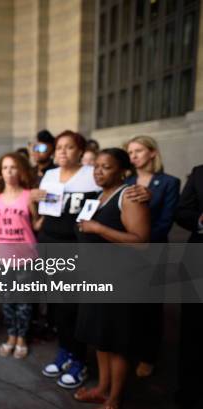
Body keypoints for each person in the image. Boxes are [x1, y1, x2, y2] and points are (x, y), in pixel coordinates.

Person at [73, 148, 150, 409]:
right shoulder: (98, 196)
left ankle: (115, 399)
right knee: (100, 339)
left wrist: (97, 228)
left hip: (120, 280)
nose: (98, 171)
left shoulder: (129, 195)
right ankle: (102, 388)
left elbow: (140, 242)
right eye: (96, 166)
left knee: (116, 342)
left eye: (106, 166)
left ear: (123, 171)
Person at [32, 130, 101, 389]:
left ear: (80, 151)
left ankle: (79, 360)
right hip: (49, 243)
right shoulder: (49, 175)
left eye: (69, 147)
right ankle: (64, 351)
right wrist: (34, 199)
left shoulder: (91, 175)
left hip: (76, 247)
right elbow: (44, 211)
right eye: (59, 147)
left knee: (74, 306)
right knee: (57, 305)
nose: (62, 151)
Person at [123, 135, 181, 378]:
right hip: (125, 252)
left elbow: (166, 221)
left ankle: (148, 356)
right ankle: (128, 350)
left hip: (153, 250)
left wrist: (141, 242)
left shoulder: (168, 182)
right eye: (130, 152)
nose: (133, 156)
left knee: (150, 307)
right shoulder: (127, 180)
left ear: (152, 153)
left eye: (138, 151)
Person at [0, 153, 39, 359]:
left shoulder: (29, 195)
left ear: (21, 171)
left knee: (24, 301)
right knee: (7, 300)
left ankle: (22, 338)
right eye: (5, 168)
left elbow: (36, 224)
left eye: (13, 167)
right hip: (3, 257)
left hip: (26, 257)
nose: (9, 171)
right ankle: (11, 335)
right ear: (0, 173)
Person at [174, 164, 203, 409]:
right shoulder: (199, 173)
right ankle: (189, 391)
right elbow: (183, 211)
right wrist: (201, 220)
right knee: (193, 329)